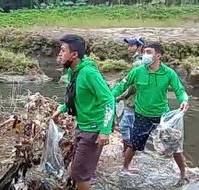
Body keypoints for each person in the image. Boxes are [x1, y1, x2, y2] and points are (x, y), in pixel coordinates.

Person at [112, 42, 189, 180]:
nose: (144, 55)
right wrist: (109, 98)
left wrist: (184, 100)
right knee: (134, 145)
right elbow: (121, 86)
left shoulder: (168, 73)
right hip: (142, 115)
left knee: (175, 146)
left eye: (148, 52)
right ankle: (125, 168)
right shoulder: (137, 71)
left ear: (158, 55)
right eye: (144, 52)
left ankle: (183, 173)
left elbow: (180, 90)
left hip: (163, 117)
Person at [51, 34, 115, 190]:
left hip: (93, 130)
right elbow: (77, 95)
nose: (59, 54)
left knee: (79, 176)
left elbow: (109, 100)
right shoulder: (74, 71)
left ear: (74, 55)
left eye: (63, 50)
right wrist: (63, 108)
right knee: (77, 171)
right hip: (82, 126)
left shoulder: (89, 73)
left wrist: (105, 131)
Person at [116, 37, 146, 153]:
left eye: (131, 46)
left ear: (139, 47)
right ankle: (133, 151)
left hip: (133, 101)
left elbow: (132, 86)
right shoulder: (139, 61)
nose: (128, 48)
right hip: (139, 101)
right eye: (128, 45)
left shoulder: (138, 63)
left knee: (124, 126)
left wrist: (118, 97)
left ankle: (128, 151)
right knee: (133, 127)